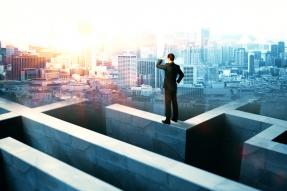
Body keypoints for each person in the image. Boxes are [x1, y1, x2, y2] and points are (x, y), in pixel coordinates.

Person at [156, 53, 184, 124]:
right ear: (173, 58)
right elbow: (182, 75)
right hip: (174, 86)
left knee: (168, 103)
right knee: (174, 102)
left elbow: (157, 65)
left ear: (168, 58)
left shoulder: (166, 66)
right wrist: (177, 81)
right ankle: (175, 118)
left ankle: (167, 120)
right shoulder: (177, 66)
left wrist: (160, 59)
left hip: (168, 88)